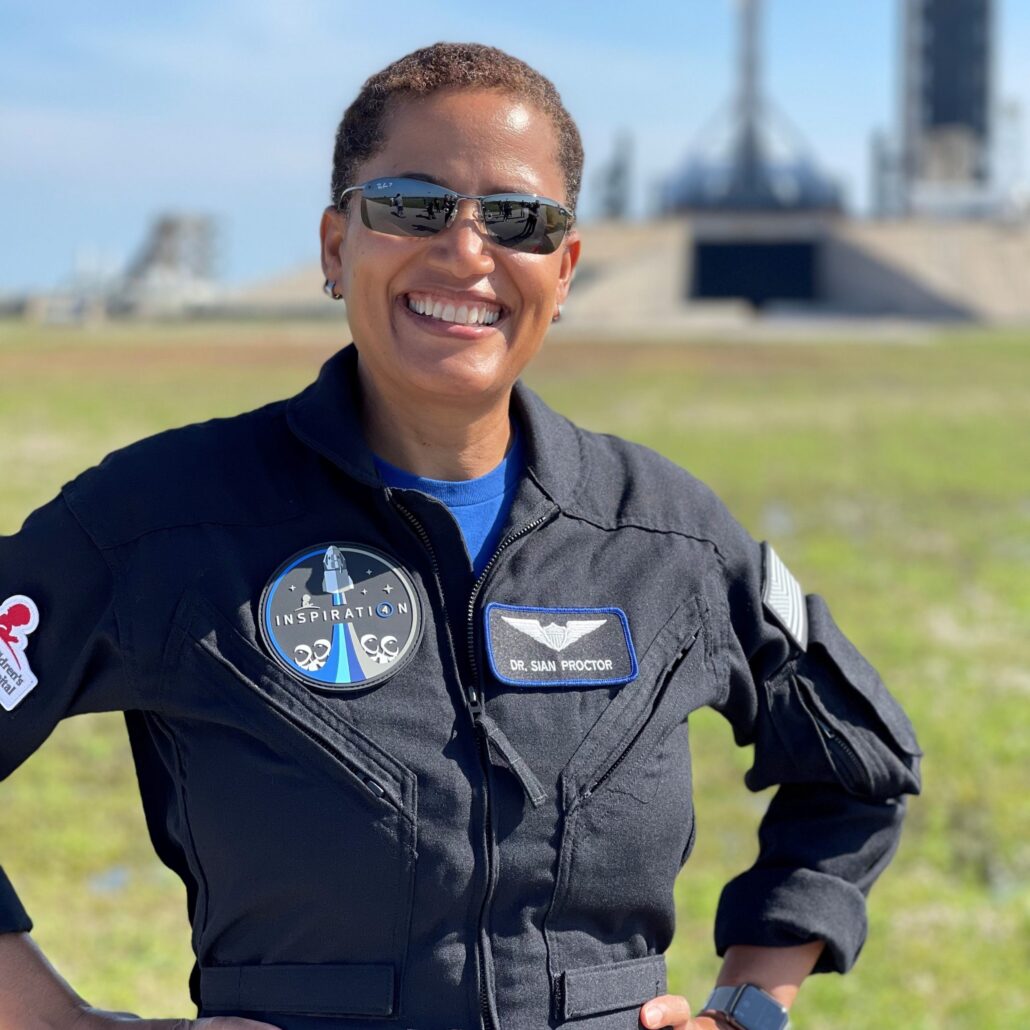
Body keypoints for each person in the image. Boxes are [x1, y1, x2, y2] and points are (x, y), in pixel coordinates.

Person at [0, 41, 921, 1030]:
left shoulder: (664, 536)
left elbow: (856, 767)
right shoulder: (164, 521)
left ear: (562, 271)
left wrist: (749, 1005)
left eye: (519, 220)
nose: (467, 251)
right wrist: (58, 1022)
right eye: (412, 204)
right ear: (334, 244)